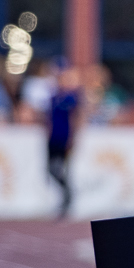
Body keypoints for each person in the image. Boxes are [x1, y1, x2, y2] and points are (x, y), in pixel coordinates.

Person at [46, 62, 80, 218]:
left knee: (62, 169)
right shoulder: (53, 97)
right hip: (53, 138)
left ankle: (68, 197)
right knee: (51, 169)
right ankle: (66, 195)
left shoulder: (71, 98)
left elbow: (75, 118)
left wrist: (72, 138)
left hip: (64, 138)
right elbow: (48, 118)